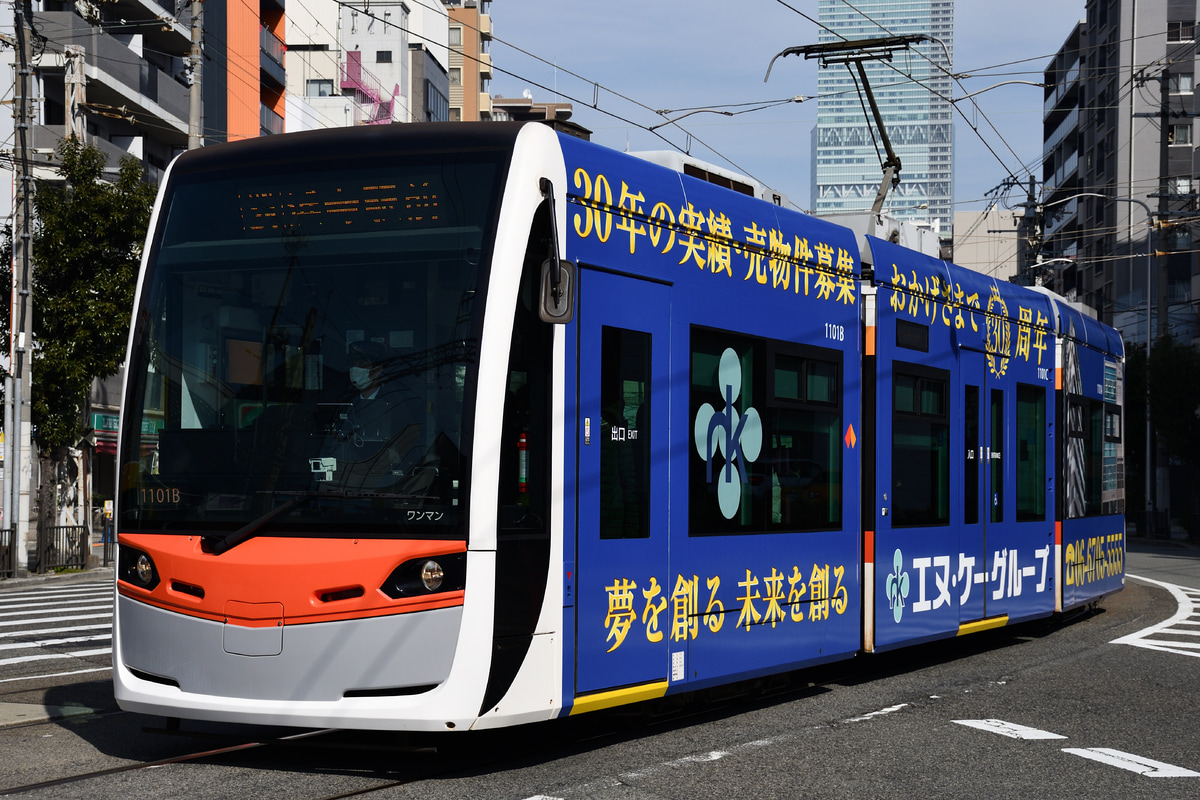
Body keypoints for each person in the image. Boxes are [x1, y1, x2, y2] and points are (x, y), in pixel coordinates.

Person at [334, 340, 426, 490]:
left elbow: (411, 444)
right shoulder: (344, 403)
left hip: (386, 482)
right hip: (349, 480)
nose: (355, 370)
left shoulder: (399, 403)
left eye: (361, 365)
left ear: (377, 370)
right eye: (352, 365)